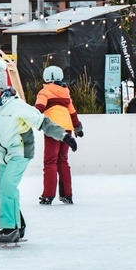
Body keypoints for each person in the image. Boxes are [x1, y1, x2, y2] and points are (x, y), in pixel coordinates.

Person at [0, 61, 77, 245]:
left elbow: (41, 121)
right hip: (2, 155)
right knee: (0, 191)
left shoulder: (15, 105)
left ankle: (9, 228)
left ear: (3, 89)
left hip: (20, 151)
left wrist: (64, 136)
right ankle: (17, 225)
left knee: (8, 188)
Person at [34, 66, 84, 204]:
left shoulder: (44, 91)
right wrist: (77, 128)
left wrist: (30, 119)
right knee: (63, 161)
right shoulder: (65, 93)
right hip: (67, 128)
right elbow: (72, 113)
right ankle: (67, 195)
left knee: (50, 161)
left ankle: (48, 195)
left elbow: (39, 108)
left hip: (53, 129)